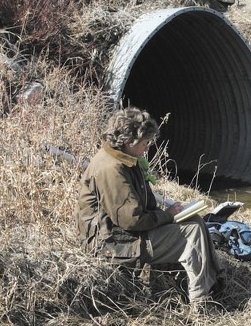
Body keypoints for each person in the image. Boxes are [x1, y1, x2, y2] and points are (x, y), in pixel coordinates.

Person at [76, 106, 223, 308]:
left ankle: (210, 284)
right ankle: (201, 302)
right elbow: (131, 219)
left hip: (121, 232)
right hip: (111, 242)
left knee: (195, 220)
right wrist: (168, 216)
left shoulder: (125, 158)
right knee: (192, 232)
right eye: (145, 143)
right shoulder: (112, 169)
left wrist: (169, 215)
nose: (147, 149)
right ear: (128, 141)